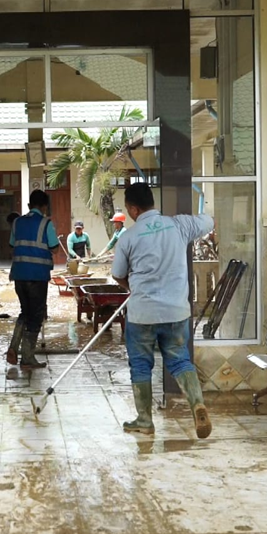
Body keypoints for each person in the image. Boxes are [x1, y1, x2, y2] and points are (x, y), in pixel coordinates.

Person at [111, 183, 214, 439]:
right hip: (176, 312)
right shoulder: (179, 225)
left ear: (134, 209)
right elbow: (208, 221)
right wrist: (190, 218)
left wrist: (133, 287)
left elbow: (117, 274)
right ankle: (197, 404)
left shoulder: (128, 237)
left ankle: (145, 420)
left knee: (140, 365)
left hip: (142, 314)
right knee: (180, 361)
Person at [6, 190, 59, 368]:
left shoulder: (17, 222)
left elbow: (12, 246)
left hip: (19, 274)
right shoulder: (46, 223)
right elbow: (55, 248)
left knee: (25, 311)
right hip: (37, 276)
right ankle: (27, 357)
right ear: (45, 207)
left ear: (29, 205)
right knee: (36, 316)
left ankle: (14, 347)